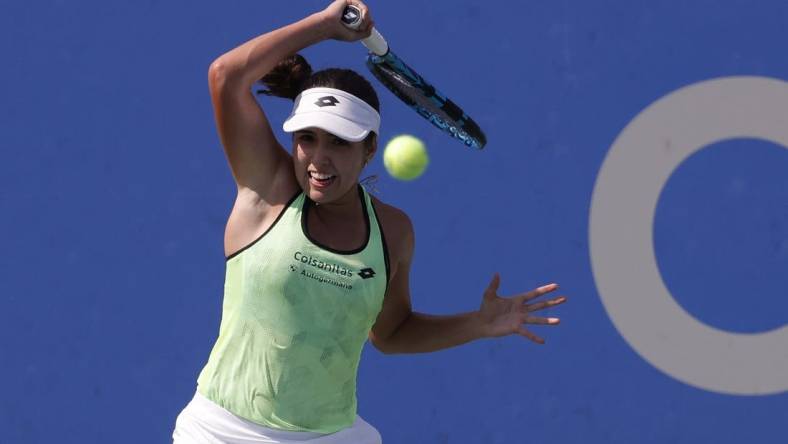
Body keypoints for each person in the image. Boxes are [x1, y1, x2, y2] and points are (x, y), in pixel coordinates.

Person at [172, 1, 567, 442]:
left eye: (339, 143)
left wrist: (478, 324)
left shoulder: (393, 232)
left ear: (369, 149)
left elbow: (391, 332)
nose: (319, 160)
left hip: (330, 436)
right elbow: (225, 75)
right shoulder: (266, 191)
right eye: (307, 139)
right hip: (222, 432)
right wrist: (323, 24)